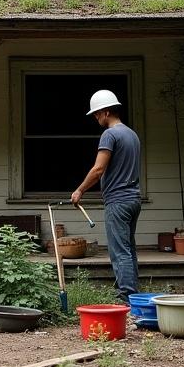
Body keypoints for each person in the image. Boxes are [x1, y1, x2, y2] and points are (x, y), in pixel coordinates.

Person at [71, 90, 142, 302]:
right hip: (134, 199)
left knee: (119, 251)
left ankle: (126, 296)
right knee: (128, 248)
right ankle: (132, 293)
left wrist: (80, 190)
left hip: (118, 201)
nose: (96, 118)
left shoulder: (110, 135)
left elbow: (98, 169)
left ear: (107, 112)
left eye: (97, 114)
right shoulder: (132, 134)